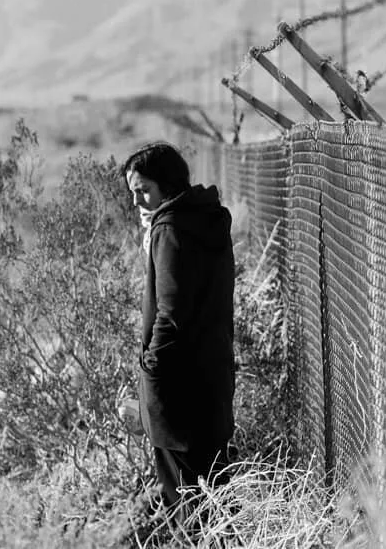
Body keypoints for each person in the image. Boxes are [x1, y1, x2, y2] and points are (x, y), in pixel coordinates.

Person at [121, 142, 236, 521]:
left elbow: (170, 315)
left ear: (167, 186)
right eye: (133, 193)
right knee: (214, 500)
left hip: (178, 392)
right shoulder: (205, 219)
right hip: (209, 381)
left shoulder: (168, 230)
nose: (137, 202)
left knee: (191, 508)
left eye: (144, 191)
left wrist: (151, 371)